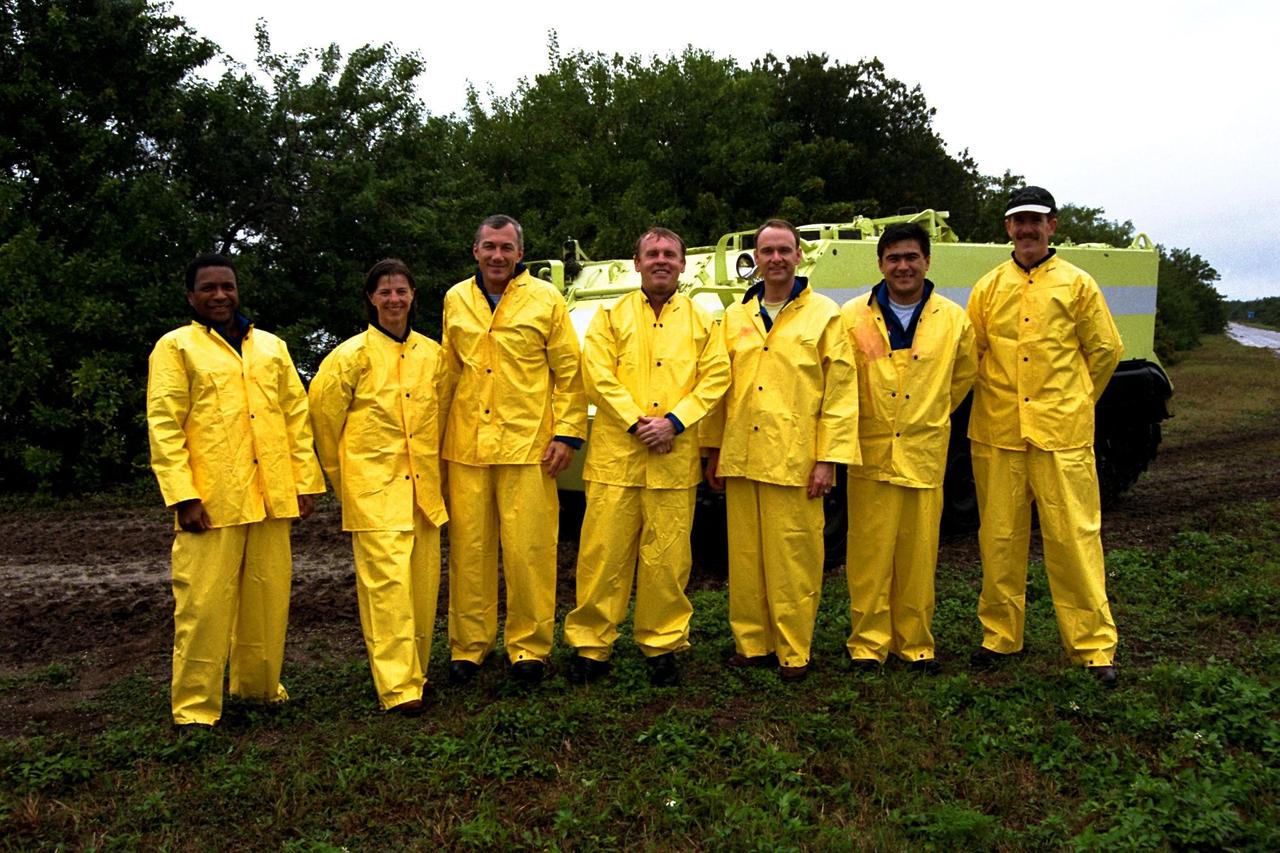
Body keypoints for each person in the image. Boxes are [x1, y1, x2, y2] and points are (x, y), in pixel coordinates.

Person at [147, 253, 324, 727]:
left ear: (237, 290)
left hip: (271, 496)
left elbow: (295, 417)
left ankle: (259, 689)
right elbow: (164, 425)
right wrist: (183, 495)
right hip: (212, 501)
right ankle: (195, 710)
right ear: (191, 296)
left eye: (227, 286)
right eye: (209, 288)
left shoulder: (271, 347)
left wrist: (304, 482)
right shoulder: (176, 348)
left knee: (268, 599)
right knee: (203, 607)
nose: (220, 295)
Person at [967, 186, 1124, 687]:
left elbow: (1105, 349)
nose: (1027, 229)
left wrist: (1075, 402)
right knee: (998, 540)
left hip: (1062, 437)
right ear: (1007, 228)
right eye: (1018, 221)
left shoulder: (1078, 284)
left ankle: (1093, 647)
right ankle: (1000, 636)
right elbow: (974, 354)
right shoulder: (988, 287)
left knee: (1074, 539)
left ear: (1052, 225)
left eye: (1036, 220)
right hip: (998, 434)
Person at [563, 227, 730, 687]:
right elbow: (596, 374)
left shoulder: (702, 321)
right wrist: (638, 422)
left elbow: (716, 378)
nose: (661, 261)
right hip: (618, 459)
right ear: (636, 264)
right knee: (602, 557)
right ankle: (592, 645)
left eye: (669, 254)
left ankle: (662, 643)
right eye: (651, 253)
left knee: (668, 560)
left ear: (682, 264)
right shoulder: (609, 316)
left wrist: (674, 422)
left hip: (672, 461)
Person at [703, 219, 859, 682]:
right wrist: (711, 450)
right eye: (766, 251)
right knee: (746, 560)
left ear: (798, 256)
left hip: (795, 461)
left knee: (794, 559)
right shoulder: (734, 317)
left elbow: (841, 391)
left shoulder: (824, 315)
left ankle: (794, 650)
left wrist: (828, 458)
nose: (775, 259)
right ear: (755, 257)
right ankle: (752, 645)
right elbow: (717, 387)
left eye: (784, 250)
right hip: (742, 457)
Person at [441, 215, 587, 685]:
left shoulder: (546, 299)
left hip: (530, 448)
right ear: (475, 250)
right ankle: (469, 646)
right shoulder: (455, 299)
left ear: (520, 253)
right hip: (466, 447)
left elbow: (569, 373)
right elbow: (447, 374)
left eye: (506, 247)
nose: (498, 255)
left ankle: (529, 647)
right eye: (489, 246)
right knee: (470, 552)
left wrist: (566, 434)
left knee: (530, 552)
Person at [309, 259, 452, 715]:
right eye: (385, 292)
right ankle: (398, 688)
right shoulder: (348, 357)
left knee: (422, 587)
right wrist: (343, 480)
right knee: (387, 591)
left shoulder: (434, 355)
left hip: (424, 492)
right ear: (370, 298)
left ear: (413, 296)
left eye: (402, 291)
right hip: (374, 492)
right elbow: (324, 424)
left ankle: (418, 671)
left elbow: (446, 417)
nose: (394, 299)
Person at [841, 222, 977, 675]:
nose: (903, 266)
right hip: (870, 453)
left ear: (927, 262)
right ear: (880, 264)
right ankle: (867, 645)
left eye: (911, 257)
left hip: (923, 452)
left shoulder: (953, 319)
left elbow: (960, 379)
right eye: (894, 258)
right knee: (868, 556)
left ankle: (916, 644)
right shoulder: (850, 317)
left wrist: (926, 414)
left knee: (919, 554)